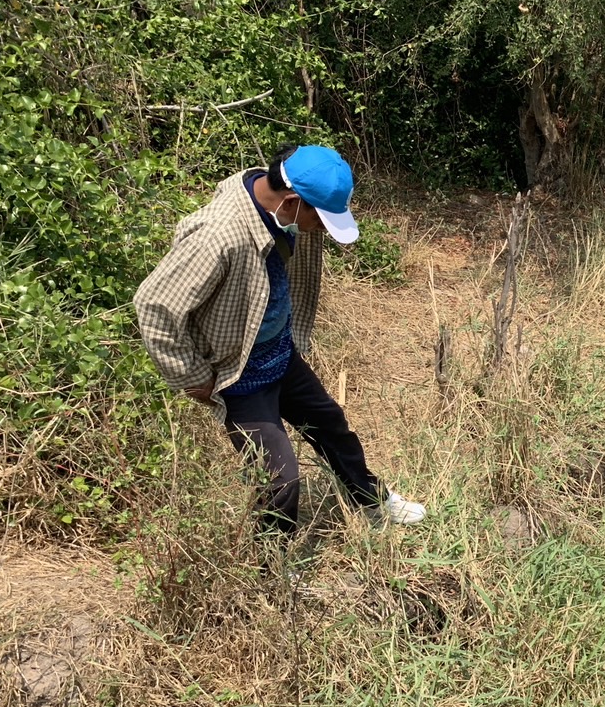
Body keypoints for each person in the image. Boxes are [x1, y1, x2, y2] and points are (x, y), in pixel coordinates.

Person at [134, 144, 426, 536]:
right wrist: (190, 374)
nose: (321, 229)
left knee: (331, 426)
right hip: (239, 374)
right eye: (320, 220)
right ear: (291, 203)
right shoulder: (218, 237)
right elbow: (154, 305)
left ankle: (372, 503)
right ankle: (273, 569)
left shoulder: (276, 208)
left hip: (279, 355)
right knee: (280, 482)